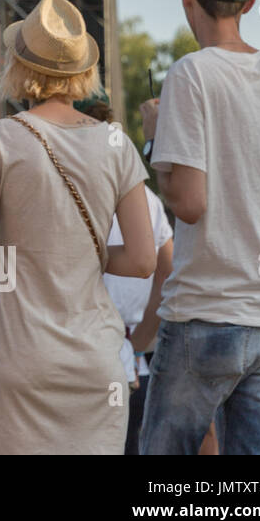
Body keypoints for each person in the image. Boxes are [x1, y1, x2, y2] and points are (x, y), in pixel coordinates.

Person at [140, 0, 260, 455]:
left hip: (205, 314)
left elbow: (189, 204)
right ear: (249, 3)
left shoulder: (190, 74)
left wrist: (154, 140)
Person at [0, 0, 155, 455]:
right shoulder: (116, 143)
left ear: (18, 64)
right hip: (95, 359)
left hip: (18, 357)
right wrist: (86, 255)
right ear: (82, 70)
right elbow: (146, 260)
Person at [74, 92, 175, 455]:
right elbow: (168, 272)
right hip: (130, 360)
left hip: (78, 358)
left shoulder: (66, 186)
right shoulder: (145, 197)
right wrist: (138, 343)